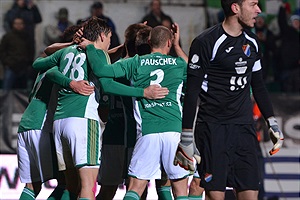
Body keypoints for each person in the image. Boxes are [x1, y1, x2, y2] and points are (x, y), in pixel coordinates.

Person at [32, 17, 169, 199]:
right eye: (111, 37)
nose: (111, 41)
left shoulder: (67, 53)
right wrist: (143, 92)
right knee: (92, 188)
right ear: (103, 36)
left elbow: (42, 61)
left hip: (62, 122)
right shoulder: (111, 60)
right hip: (91, 123)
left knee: (71, 187)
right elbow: (105, 76)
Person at [176, 0, 284, 199]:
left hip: (244, 129)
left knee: (250, 194)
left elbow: (258, 85)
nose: (259, 10)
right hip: (213, 129)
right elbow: (192, 92)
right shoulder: (206, 42)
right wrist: (186, 137)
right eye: (253, 4)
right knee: (215, 195)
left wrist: (272, 121)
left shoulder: (252, 42)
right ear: (235, 8)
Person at [81, 24, 191, 200]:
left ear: (149, 41)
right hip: (174, 132)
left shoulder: (136, 62)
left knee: (135, 189)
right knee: (180, 190)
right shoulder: (178, 64)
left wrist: (91, 48)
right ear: (169, 42)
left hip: (148, 132)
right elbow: (196, 73)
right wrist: (178, 48)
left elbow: (102, 71)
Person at [96, 23, 152, 200]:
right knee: (138, 189)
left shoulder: (112, 68)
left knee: (107, 191)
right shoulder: (144, 70)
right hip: (136, 137)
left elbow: (103, 113)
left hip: (113, 135)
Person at [0, 17, 32, 90]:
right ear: (13, 25)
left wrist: (28, 62)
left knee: (23, 91)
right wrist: (7, 62)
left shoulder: (27, 37)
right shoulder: (7, 37)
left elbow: (30, 50)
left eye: (20, 23)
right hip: (11, 67)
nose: (18, 25)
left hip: (23, 67)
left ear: (23, 25)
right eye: (16, 23)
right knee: (6, 90)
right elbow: (2, 51)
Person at [277, 1, 300, 93]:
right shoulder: (287, 31)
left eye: (298, 21)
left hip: (297, 66)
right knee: (287, 87)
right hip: (287, 65)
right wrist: (282, 8)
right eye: (295, 21)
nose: (296, 23)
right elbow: (281, 21)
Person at [252, 12, 277, 82]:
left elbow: (274, 48)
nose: (260, 21)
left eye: (262, 19)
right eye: (258, 19)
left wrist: (265, 40)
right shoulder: (249, 32)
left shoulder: (269, 33)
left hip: (265, 62)